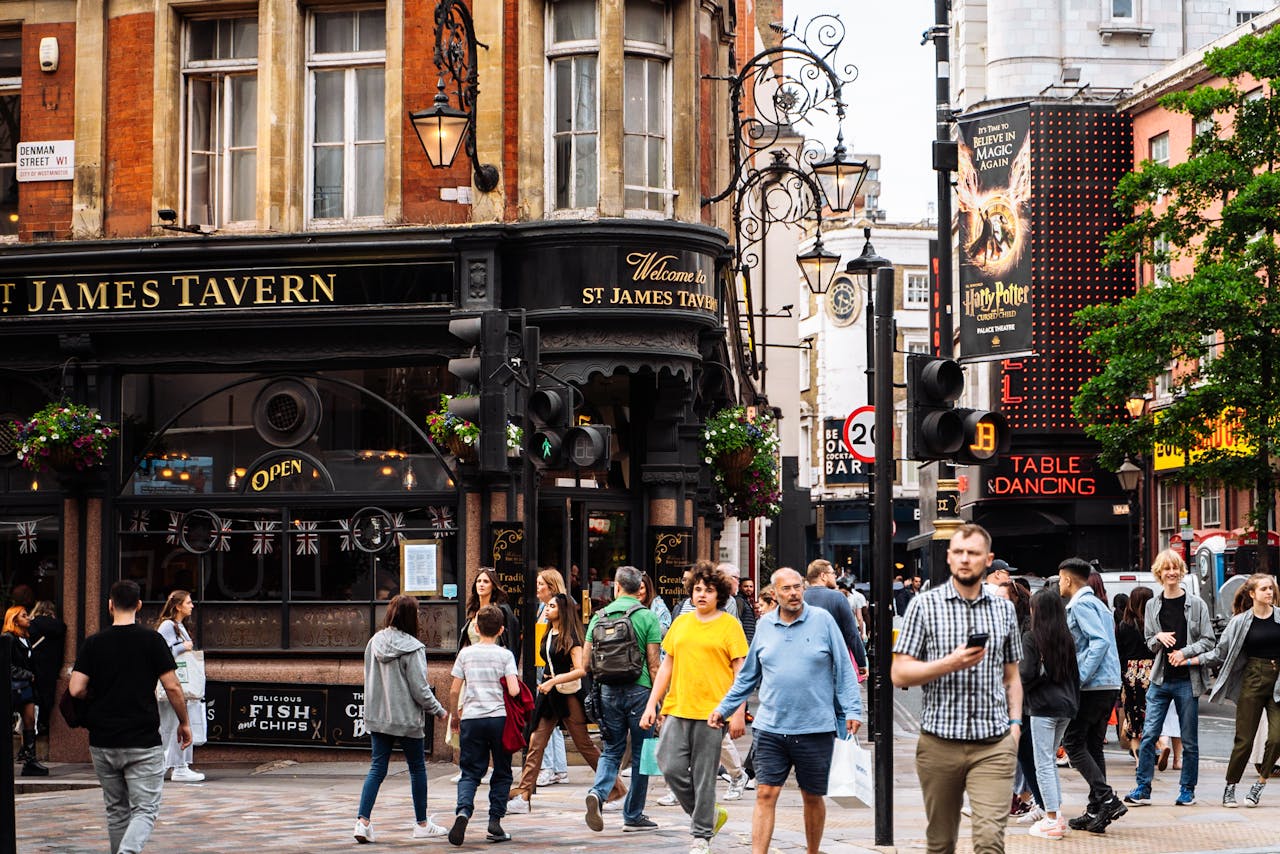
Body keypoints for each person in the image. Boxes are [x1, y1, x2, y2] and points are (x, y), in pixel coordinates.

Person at [891, 523, 1023, 854]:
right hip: (939, 744)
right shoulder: (924, 606)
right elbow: (900, 673)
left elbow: (1012, 676)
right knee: (940, 843)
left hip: (993, 744)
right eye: (959, 552)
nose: (965, 559)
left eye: (974, 553)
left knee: (990, 841)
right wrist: (949, 663)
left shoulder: (1004, 609)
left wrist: (1016, 725)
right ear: (949, 557)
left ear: (988, 560)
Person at [711, 567, 862, 854]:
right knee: (766, 793)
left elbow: (844, 668)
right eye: (786, 589)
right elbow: (747, 676)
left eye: (797, 587)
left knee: (812, 796)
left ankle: (813, 851)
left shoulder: (823, 621)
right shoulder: (765, 626)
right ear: (774, 593)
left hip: (815, 727)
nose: (793, 593)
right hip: (770, 727)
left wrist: (853, 709)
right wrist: (725, 708)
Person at [70, 580, 192, 854]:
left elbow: (76, 689)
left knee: (116, 810)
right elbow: (172, 686)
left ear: (110, 605)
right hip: (142, 737)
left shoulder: (94, 643)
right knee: (145, 809)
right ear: (138, 605)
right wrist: (184, 722)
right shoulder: (152, 640)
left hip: (102, 739)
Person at [642, 561, 749, 854]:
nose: (702, 594)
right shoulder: (681, 623)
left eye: (709, 590)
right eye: (698, 589)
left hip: (714, 712)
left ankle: (701, 835)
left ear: (720, 595)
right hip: (677, 707)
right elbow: (667, 666)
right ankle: (710, 817)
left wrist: (738, 711)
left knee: (704, 776)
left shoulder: (730, 625)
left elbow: (741, 671)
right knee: (669, 765)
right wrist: (652, 704)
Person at [509, 593, 627, 813]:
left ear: (562, 610)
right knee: (536, 741)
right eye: (547, 605)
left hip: (568, 695)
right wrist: (547, 680)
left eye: (552, 606)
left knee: (584, 744)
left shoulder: (572, 637)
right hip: (549, 695)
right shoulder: (548, 633)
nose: (547, 608)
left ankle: (617, 789)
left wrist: (553, 680)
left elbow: (581, 669)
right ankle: (524, 795)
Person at [354, 594, 449, 843]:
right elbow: (420, 688)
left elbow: (368, 678)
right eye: (417, 613)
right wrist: (439, 710)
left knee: (377, 768)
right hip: (406, 719)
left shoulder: (374, 642)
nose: (418, 617)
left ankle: (362, 822)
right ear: (410, 617)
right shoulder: (414, 648)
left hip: (379, 716)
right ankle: (421, 824)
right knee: (417, 769)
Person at [1124, 549, 1214, 808]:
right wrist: (1158, 638)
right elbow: (1149, 641)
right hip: (1161, 679)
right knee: (1149, 733)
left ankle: (1187, 790)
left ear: (1181, 571)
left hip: (1188, 679)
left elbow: (1209, 640)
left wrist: (1184, 653)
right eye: (1167, 569)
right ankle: (1143, 788)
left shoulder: (1196, 604)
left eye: (1175, 568)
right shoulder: (1153, 604)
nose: (1172, 572)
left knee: (1189, 739)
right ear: (1159, 574)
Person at [1187, 573, 1280, 807]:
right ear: (1252, 594)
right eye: (1264, 589)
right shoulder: (1240, 622)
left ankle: (1260, 783)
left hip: (1278, 680)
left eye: (1271, 589)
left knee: (1277, 738)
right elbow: (1220, 653)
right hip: (1252, 678)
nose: (1269, 593)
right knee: (1244, 740)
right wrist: (1191, 659)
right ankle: (1231, 787)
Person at [582, 565, 663, 833]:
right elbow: (654, 666)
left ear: (616, 587)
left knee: (613, 749)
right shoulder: (647, 617)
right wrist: (659, 702)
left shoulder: (598, 617)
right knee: (643, 754)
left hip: (607, 691)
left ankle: (598, 792)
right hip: (640, 692)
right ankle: (633, 814)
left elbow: (586, 664)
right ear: (639, 588)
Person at [1056, 557, 1127, 833]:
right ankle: (1096, 808)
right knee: (1093, 745)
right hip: (1108, 683)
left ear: (1068, 579)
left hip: (1093, 685)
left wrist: (1080, 677)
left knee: (1072, 743)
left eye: (1060, 578)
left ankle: (1107, 799)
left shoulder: (1081, 604)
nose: (1059, 583)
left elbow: (1099, 642)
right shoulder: (1099, 604)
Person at [447, 604, 520, 846]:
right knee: (502, 771)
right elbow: (514, 689)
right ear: (501, 630)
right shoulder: (505, 655)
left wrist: (455, 717)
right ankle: (495, 822)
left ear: (476, 628)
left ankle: (463, 812)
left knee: (469, 772)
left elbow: (454, 689)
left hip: (471, 719)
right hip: (499, 719)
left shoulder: (465, 654)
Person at [1020, 587, 1080, 839]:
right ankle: (1055, 815)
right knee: (1049, 762)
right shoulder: (1067, 637)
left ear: (1037, 611)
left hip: (1043, 707)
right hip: (1066, 706)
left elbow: (1026, 674)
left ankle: (1052, 818)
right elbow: (1075, 675)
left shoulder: (1032, 638)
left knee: (1043, 762)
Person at [154, 590, 204, 782]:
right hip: (173, 682)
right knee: (174, 724)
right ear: (178, 606)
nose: (192, 606)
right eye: (188, 603)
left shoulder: (179, 625)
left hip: (180, 682)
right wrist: (184, 647)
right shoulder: (168, 625)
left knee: (179, 723)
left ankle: (178, 765)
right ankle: (177, 767)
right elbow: (161, 653)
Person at [533, 569, 571, 788]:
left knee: (544, 719)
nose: (537, 588)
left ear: (552, 587)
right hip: (542, 667)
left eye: (541, 584)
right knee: (552, 721)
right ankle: (559, 768)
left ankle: (547, 767)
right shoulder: (541, 609)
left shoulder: (558, 610)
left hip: (552, 672)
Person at [4, 605, 47, 776]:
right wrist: (27, 674)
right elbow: (7, 664)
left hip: (26, 687)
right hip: (13, 686)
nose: (28, 618)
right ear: (14, 620)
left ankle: (30, 761)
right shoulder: (8, 638)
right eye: (24, 616)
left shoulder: (25, 638)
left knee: (30, 721)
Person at [804, 559, 867, 671]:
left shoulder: (800, 598)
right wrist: (861, 662)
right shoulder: (838, 597)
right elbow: (852, 634)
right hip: (833, 660)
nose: (835, 577)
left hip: (805, 661)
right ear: (823, 576)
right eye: (833, 573)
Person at [1117, 586, 1156, 761]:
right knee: (1153, 712)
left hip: (1131, 672)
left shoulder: (1124, 625)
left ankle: (1139, 759)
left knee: (1133, 717)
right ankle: (1158, 746)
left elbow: (1120, 652)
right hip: (1152, 670)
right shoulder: (1154, 625)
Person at [26, 600, 66, 742]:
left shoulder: (31, 625)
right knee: (47, 696)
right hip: (52, 668)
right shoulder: (60, 627)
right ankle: (43, 723)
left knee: (32, 698)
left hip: (33, 667)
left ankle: (32, 730)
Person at [459, 568, 521, 658]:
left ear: (493, 586)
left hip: (495, 664)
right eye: (478, 581)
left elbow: (512, 641)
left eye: (486, 581)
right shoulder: (472, 611)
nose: (481, 584)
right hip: (473, 664)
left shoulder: (501, 611)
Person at [639, 572, 673, 637]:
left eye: (641, 588)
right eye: (635, 588)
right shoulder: (629, 604)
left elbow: (664, 631)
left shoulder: (658, 606)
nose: (638, 592)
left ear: (648, 589)